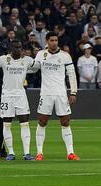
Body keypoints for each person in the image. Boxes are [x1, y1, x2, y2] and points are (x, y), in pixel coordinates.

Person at [32, 32, 79, 160]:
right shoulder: (41, 54)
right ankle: (39, 153)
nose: (54, 42)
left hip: (61, 93)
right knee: (42, 121)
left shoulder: (65, 56)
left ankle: (70, 152)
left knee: (65, 121)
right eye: (52, 40)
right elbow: (34, 68)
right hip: (46, 93)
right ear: (47, 41)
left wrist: (73, 92)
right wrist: (25, 62)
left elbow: (72, 74)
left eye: (56, 40)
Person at [0, 40, 35, 161]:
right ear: (11, 48)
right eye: (15, 47)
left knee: (25, 123)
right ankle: (11, 152)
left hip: (21, 95)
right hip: (6, 95)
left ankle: (26, 153)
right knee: (6, 123)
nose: (18, 49)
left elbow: (38, 67)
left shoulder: (27, 60)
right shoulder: (3, 59)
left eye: (20, 47)